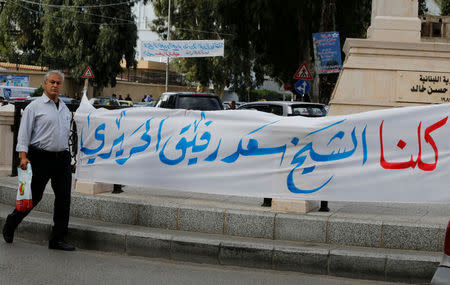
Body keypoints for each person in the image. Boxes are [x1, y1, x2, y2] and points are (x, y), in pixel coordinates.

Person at [2, 70, 75, 251]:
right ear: (45, 83)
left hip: (62, 158)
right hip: (40, 157)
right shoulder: (34, 107)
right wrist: (23, 156)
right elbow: (24, 133)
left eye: (58, 83)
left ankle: (57, 239)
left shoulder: (65, 109)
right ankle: (12, 222)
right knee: (33, 197)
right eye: (52, 82)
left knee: (64, 199)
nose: (55, 85)